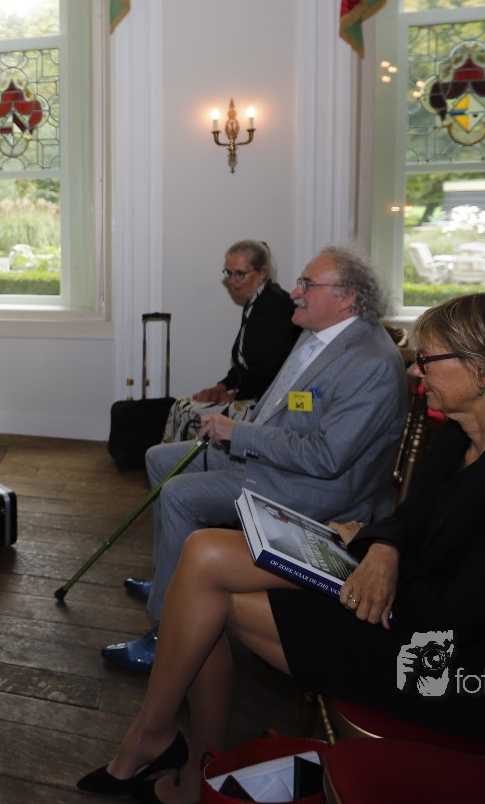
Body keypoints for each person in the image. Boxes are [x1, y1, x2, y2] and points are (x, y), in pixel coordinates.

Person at [78, 293, 485, 801]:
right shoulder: (465, 435)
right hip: (410, 608)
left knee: (208, 600)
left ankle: (184, 758)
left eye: (428, 360)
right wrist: (383, 549)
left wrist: (373, 561)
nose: (415, 371)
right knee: (204, 551)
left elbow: (457, 618)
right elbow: (408, 518)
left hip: (455, 672)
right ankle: (176, 749)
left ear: (484, 370)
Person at [103, 245, 407, 673]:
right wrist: (239, 429)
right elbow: (284, 406)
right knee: (158, 458)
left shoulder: (370, 363)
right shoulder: (319, 331)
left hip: (315, 490)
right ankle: (170, 577)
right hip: (277, 460)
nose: (295, 292)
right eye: (299, 282)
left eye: (307, 284)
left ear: (347, 298)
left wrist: (239, 433)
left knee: (178, 495)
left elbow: (326, 457)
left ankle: (167, 632)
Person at [157, 240, 301, 444]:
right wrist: (221, 387)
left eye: (240, 273)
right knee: (181, 406)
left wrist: (233, 397)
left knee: (189, 412)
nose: (233, 281)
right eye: (229, 273)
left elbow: (268, 371)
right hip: (255, 394)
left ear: (262, 273)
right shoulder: (256, 302)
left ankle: (183, 462)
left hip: (270, 405)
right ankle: (171, 461)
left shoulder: (275, 305)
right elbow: (245, 362)